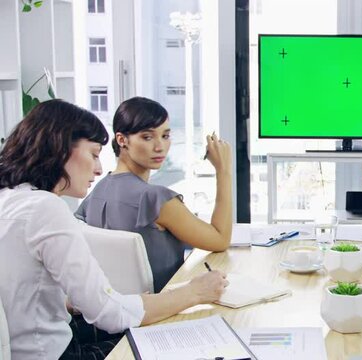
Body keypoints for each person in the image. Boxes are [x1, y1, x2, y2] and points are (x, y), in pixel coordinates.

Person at [0, 100, 228, 360]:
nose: (98, 169)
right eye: (94, 154)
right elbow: (108, 314)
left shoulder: (10, 198)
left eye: (166, 135)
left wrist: (72, 301)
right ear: (60, 148)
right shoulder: (46, 208)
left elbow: (21, 289)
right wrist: (195, 292)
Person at [76, 97, 233, 292]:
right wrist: (224, 170)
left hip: (117, 313)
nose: (159, 147)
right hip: (167, 310)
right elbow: (220, 240)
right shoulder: (155, 199)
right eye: (147, 137)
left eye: (165, 136)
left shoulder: (96, 193)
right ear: (121, 140)